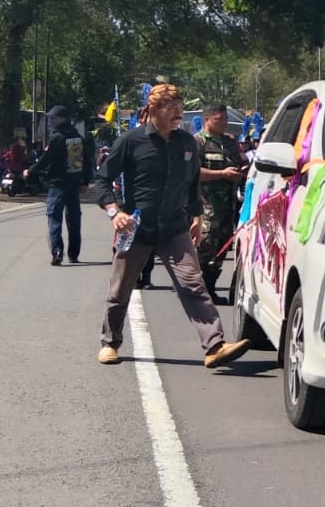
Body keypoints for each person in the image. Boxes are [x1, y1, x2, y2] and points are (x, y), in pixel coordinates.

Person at [95, 83, 248, 368]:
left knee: (193, 283)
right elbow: (102, 181)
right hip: (137, 228)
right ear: (153, 110)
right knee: (120, 290)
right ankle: (110, 342)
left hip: (175, 227)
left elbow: (191, 184)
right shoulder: (131, 141)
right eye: (172, 109)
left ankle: (214, 345)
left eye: (180, 108)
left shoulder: (186, 143)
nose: (179, 114)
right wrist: (114, 211)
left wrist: (197, 217)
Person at [24, 106, 91, 265]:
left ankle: (57, 252)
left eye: (53, 118)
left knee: (54, 217)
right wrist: (85, 181)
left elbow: (46, 160)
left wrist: (30, 171)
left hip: (58, 184)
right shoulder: (78, 137)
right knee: (74, 219)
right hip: (74, 184)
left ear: (63, 119)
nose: (50, 121)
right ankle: (73, 254)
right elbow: (87, 161)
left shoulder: (57, 138)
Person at [195, 104, 248, 303]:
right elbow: (193, 173)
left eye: (225, 119)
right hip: (206, 206)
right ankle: (198, 291)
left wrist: (242, 169)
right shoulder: (198, 142)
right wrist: (221, 174)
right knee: (204, 246)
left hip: (228, 205)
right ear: (207, 119)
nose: (224, 123)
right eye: (219, 119)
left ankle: (210, 287)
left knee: (221, 248)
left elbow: (242, 160)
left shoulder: (231, 142)